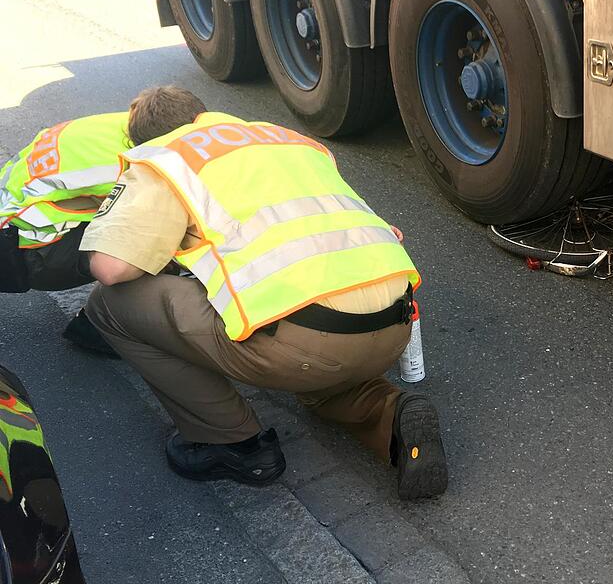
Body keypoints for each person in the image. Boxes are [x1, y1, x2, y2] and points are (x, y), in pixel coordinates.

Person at [79, 86, 448, 499]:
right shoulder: (282, 139)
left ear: (144, 139)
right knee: (321, 371)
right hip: (394, 323)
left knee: (109, 305)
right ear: (203, 114)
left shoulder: (168, 158)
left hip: (304, 344)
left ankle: (232, 444)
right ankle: (395, 416)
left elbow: (110, 268)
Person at [0, 111, 131, 352]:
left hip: (9, 223)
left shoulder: (109, 126)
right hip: (22, 254)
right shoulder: (133, 168)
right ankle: (100, 327)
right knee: (151, 237)